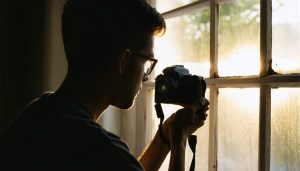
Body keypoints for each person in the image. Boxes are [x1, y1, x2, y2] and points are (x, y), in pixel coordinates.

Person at [0, 0, 209, 170]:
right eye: (147, 61)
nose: (146, 77)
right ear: (123, 61)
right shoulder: (98, 148)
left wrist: (165, 138)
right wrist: (180, 140)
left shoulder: (36, 115)